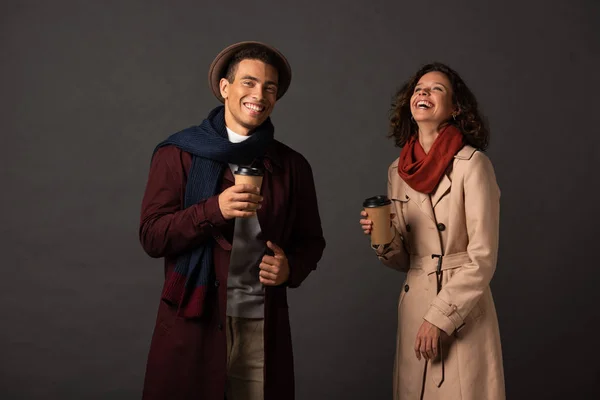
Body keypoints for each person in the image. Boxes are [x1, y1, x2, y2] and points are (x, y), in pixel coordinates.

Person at [139, 41, 326, 400]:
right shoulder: (177, 154)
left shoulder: (291, 165)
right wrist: (214, 210)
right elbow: (152, 236)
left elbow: (311, 241)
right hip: (193, 319)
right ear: (225, 88)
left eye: (270, 87)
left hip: (260, 320)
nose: (260, 94)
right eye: (249, 82)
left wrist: (290, 269)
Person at [360, 62, 505, 399]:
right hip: (415, 308)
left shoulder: (473, 165)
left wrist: (440, 317)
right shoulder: (398, 170)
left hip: (460, 310)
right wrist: (381, 238)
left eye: (436, 88)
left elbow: (482, 258)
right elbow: (404, 261)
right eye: (418, 88)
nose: (423, 92)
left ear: (455, 108)